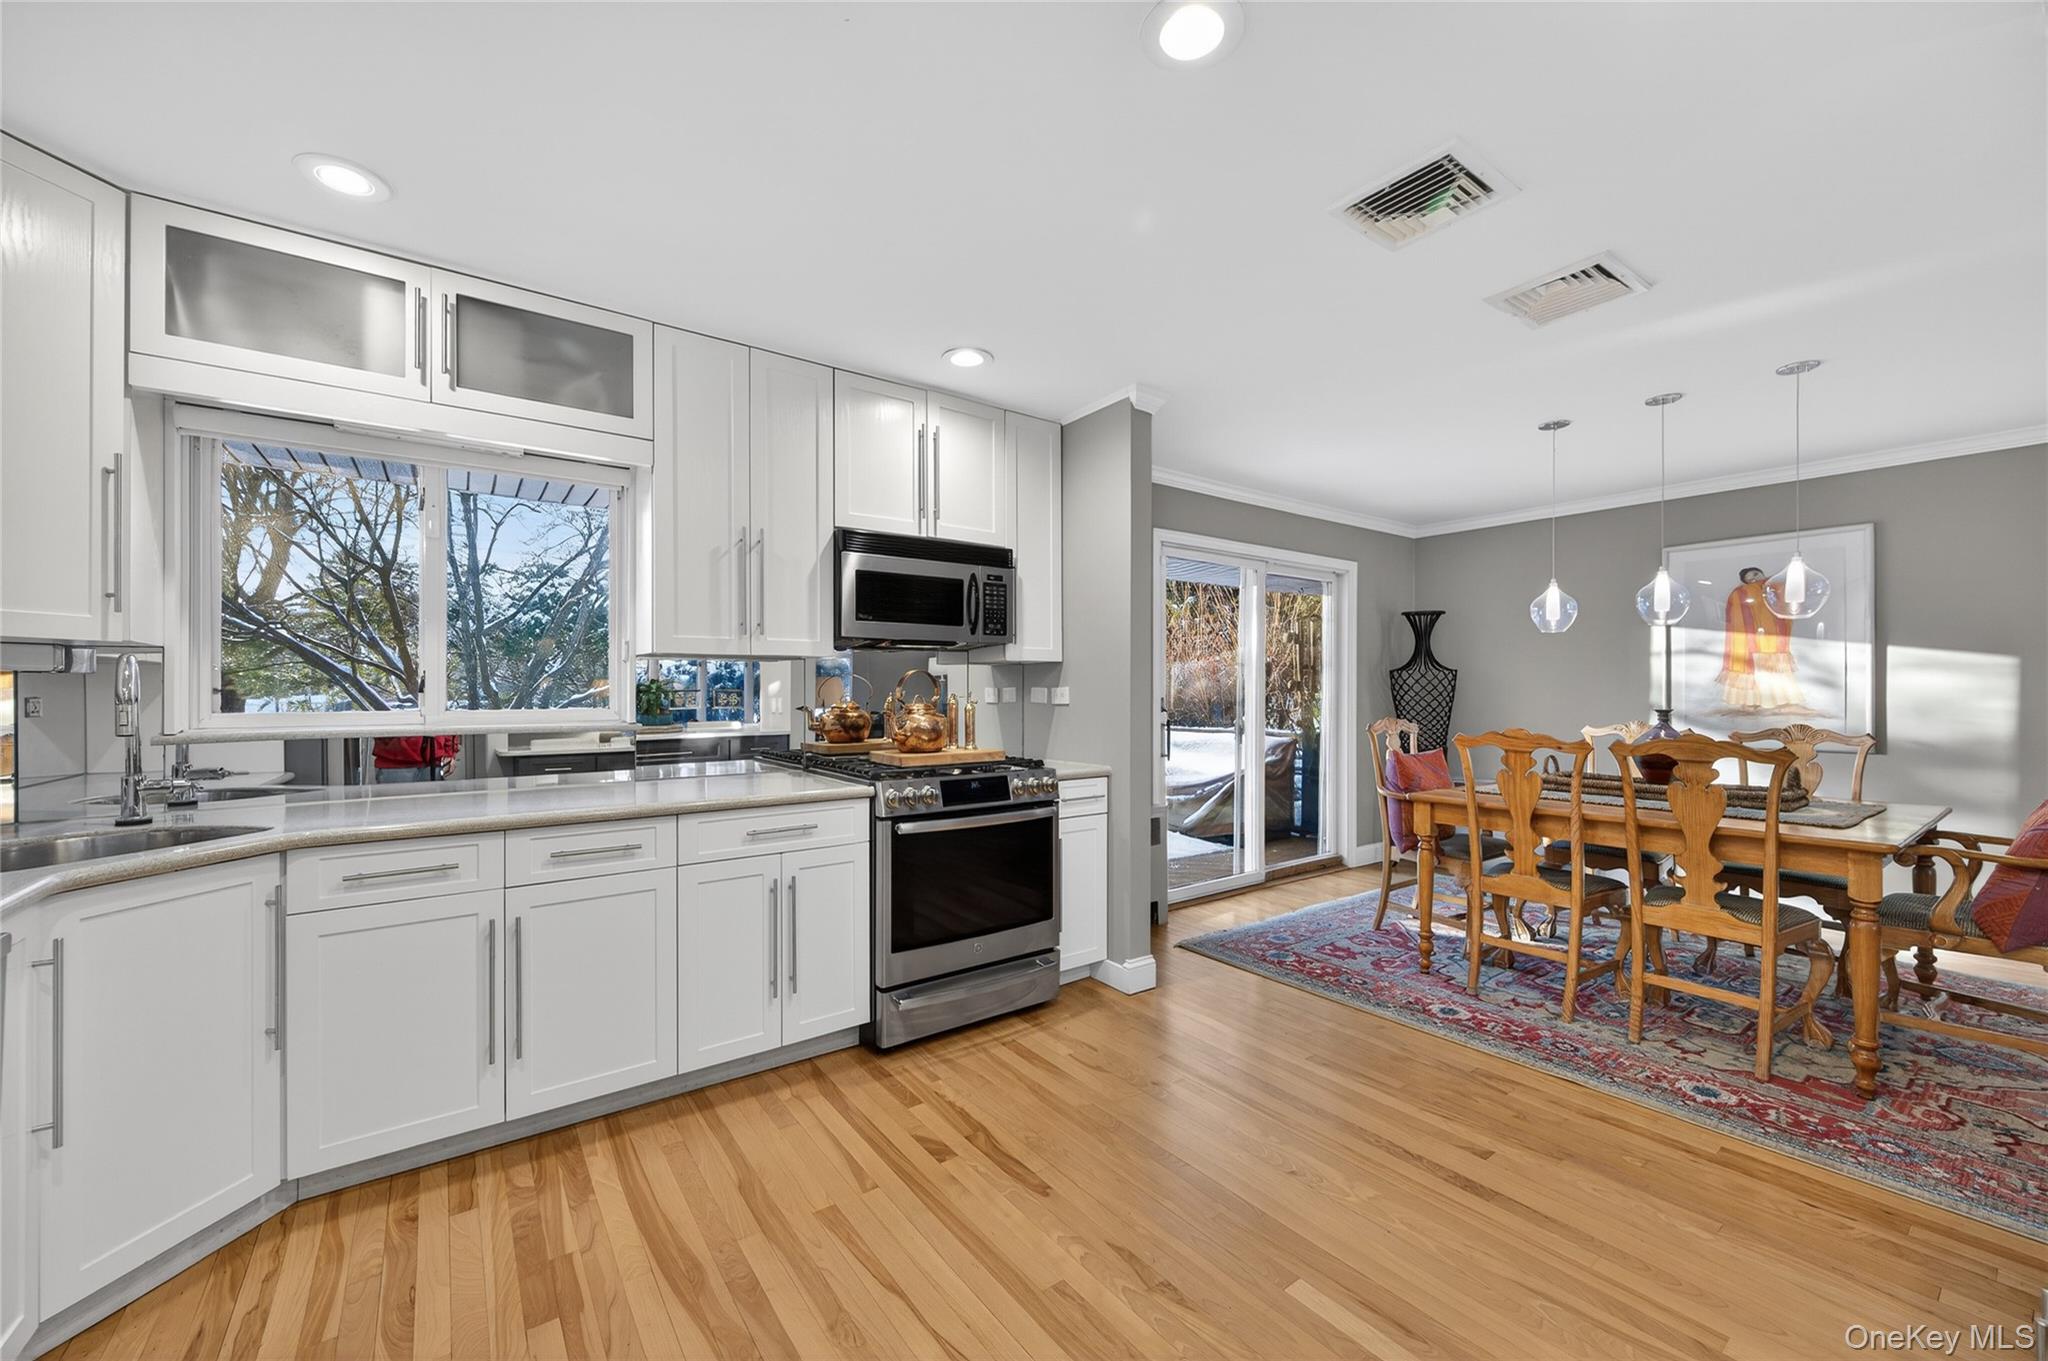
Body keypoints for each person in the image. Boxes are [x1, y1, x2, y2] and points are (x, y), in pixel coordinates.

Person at [1716, 566, 1805, 711]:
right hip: (1755, 640)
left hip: (1773, 638)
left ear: (1762, 572)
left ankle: (1779, 702)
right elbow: (1739, 617)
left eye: (1756, 574)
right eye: (1750, 579)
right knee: (1758, 672)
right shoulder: (1742, 593)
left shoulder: (1776, 588)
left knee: (1773, 671)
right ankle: (1751, 702)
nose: (1755, 579)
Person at [373, 734, 460, 783]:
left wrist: (449, 753)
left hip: (434, 762)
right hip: (395, 764)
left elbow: (445, 714)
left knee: (432, 811)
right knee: (397, 812)